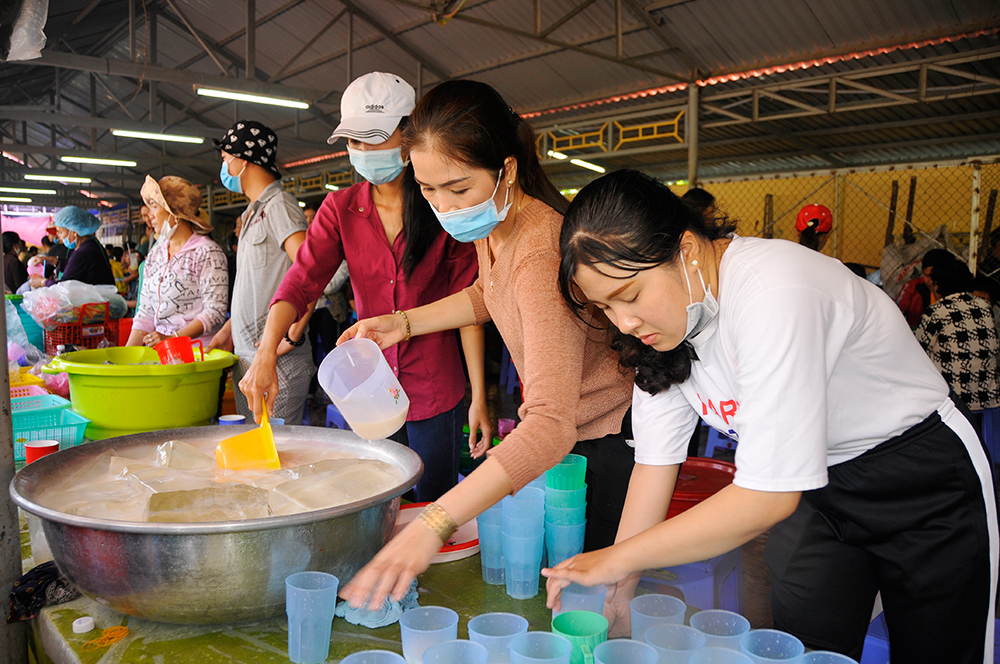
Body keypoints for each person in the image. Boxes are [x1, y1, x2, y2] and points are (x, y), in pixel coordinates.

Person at [543, 169, 997, 662]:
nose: (624, 322)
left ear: (688, 252)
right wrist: (619, 589)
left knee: (941, 647)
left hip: (920, 476)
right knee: (803, 646)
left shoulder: (773, 291)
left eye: (629, 295)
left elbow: (766, 496)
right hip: (815, 487)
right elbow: (655, 466)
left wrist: (616, 559)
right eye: (605, 307)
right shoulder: (664, 331)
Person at [335, 80, 635, 611]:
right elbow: (485, 294)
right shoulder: (494, 225)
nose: (443, 206)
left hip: (603, 439)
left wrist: (434, 521)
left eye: (457, 188)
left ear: (508, 170)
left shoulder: (540, 247)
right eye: (427, 190)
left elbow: (548, 423)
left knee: (591, 601)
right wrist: (401, 324)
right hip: (571, 439)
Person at [239, 72, 488, 503]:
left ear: (408, 136)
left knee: (433, 503)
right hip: (371, 387)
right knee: (380, 499)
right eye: (354, 142)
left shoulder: (442, 206)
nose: (363, 152)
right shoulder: (341, 209)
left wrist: (480, 396)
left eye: (375, 139)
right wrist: (265, 354)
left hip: (435, 385)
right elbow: (300, 283)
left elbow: (469, 306)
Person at [207, 119, 314, 424]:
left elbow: (310, 271)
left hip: (277, 359)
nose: (225, 167)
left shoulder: (279, 205)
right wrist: (228, 330)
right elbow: (252, 284)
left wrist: (292, 334)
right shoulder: (252, 212)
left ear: (242, 159)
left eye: (226, 159)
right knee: (255, 446)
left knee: (273, 454)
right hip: (248, 355)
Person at [126, 175, 228, 347]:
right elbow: (145, 314)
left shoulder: (207, 252)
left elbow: (215, 312)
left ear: (176, 213)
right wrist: (126, 358)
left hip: (196, 353)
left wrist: (173, 338)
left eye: (154, 207)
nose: (149, 215)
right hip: (162, 354)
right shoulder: (155, 254)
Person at [915, 257, 1000, 413]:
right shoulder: (984, 306)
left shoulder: (936, 311)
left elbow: (918, 352)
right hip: (988, 398)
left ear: (937, 284)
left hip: (954, 401)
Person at [29, 207, 114, 288]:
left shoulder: (82, 253)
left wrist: (42, 282)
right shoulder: (91, 245)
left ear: (74, 232)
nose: (60, 238)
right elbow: (74, 266)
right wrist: (51, 260)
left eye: (60, 232)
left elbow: (63, 287)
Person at [894, 247, 954, 328]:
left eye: (935, 276)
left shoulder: (954, 291)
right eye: (927, 275)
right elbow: (895, 313)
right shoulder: (912, 287)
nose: (931, 281)